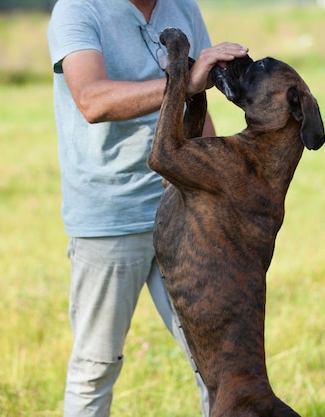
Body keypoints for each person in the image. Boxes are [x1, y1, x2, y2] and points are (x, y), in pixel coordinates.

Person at [47, 0, 249, 416]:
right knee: (96, 367)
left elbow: (199, 104)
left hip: (183, 211)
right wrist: (183, 82)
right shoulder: (77, 9)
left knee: (216, 365)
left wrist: (215, 194)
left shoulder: (182, 7)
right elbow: (91, 100)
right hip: (110, 216)